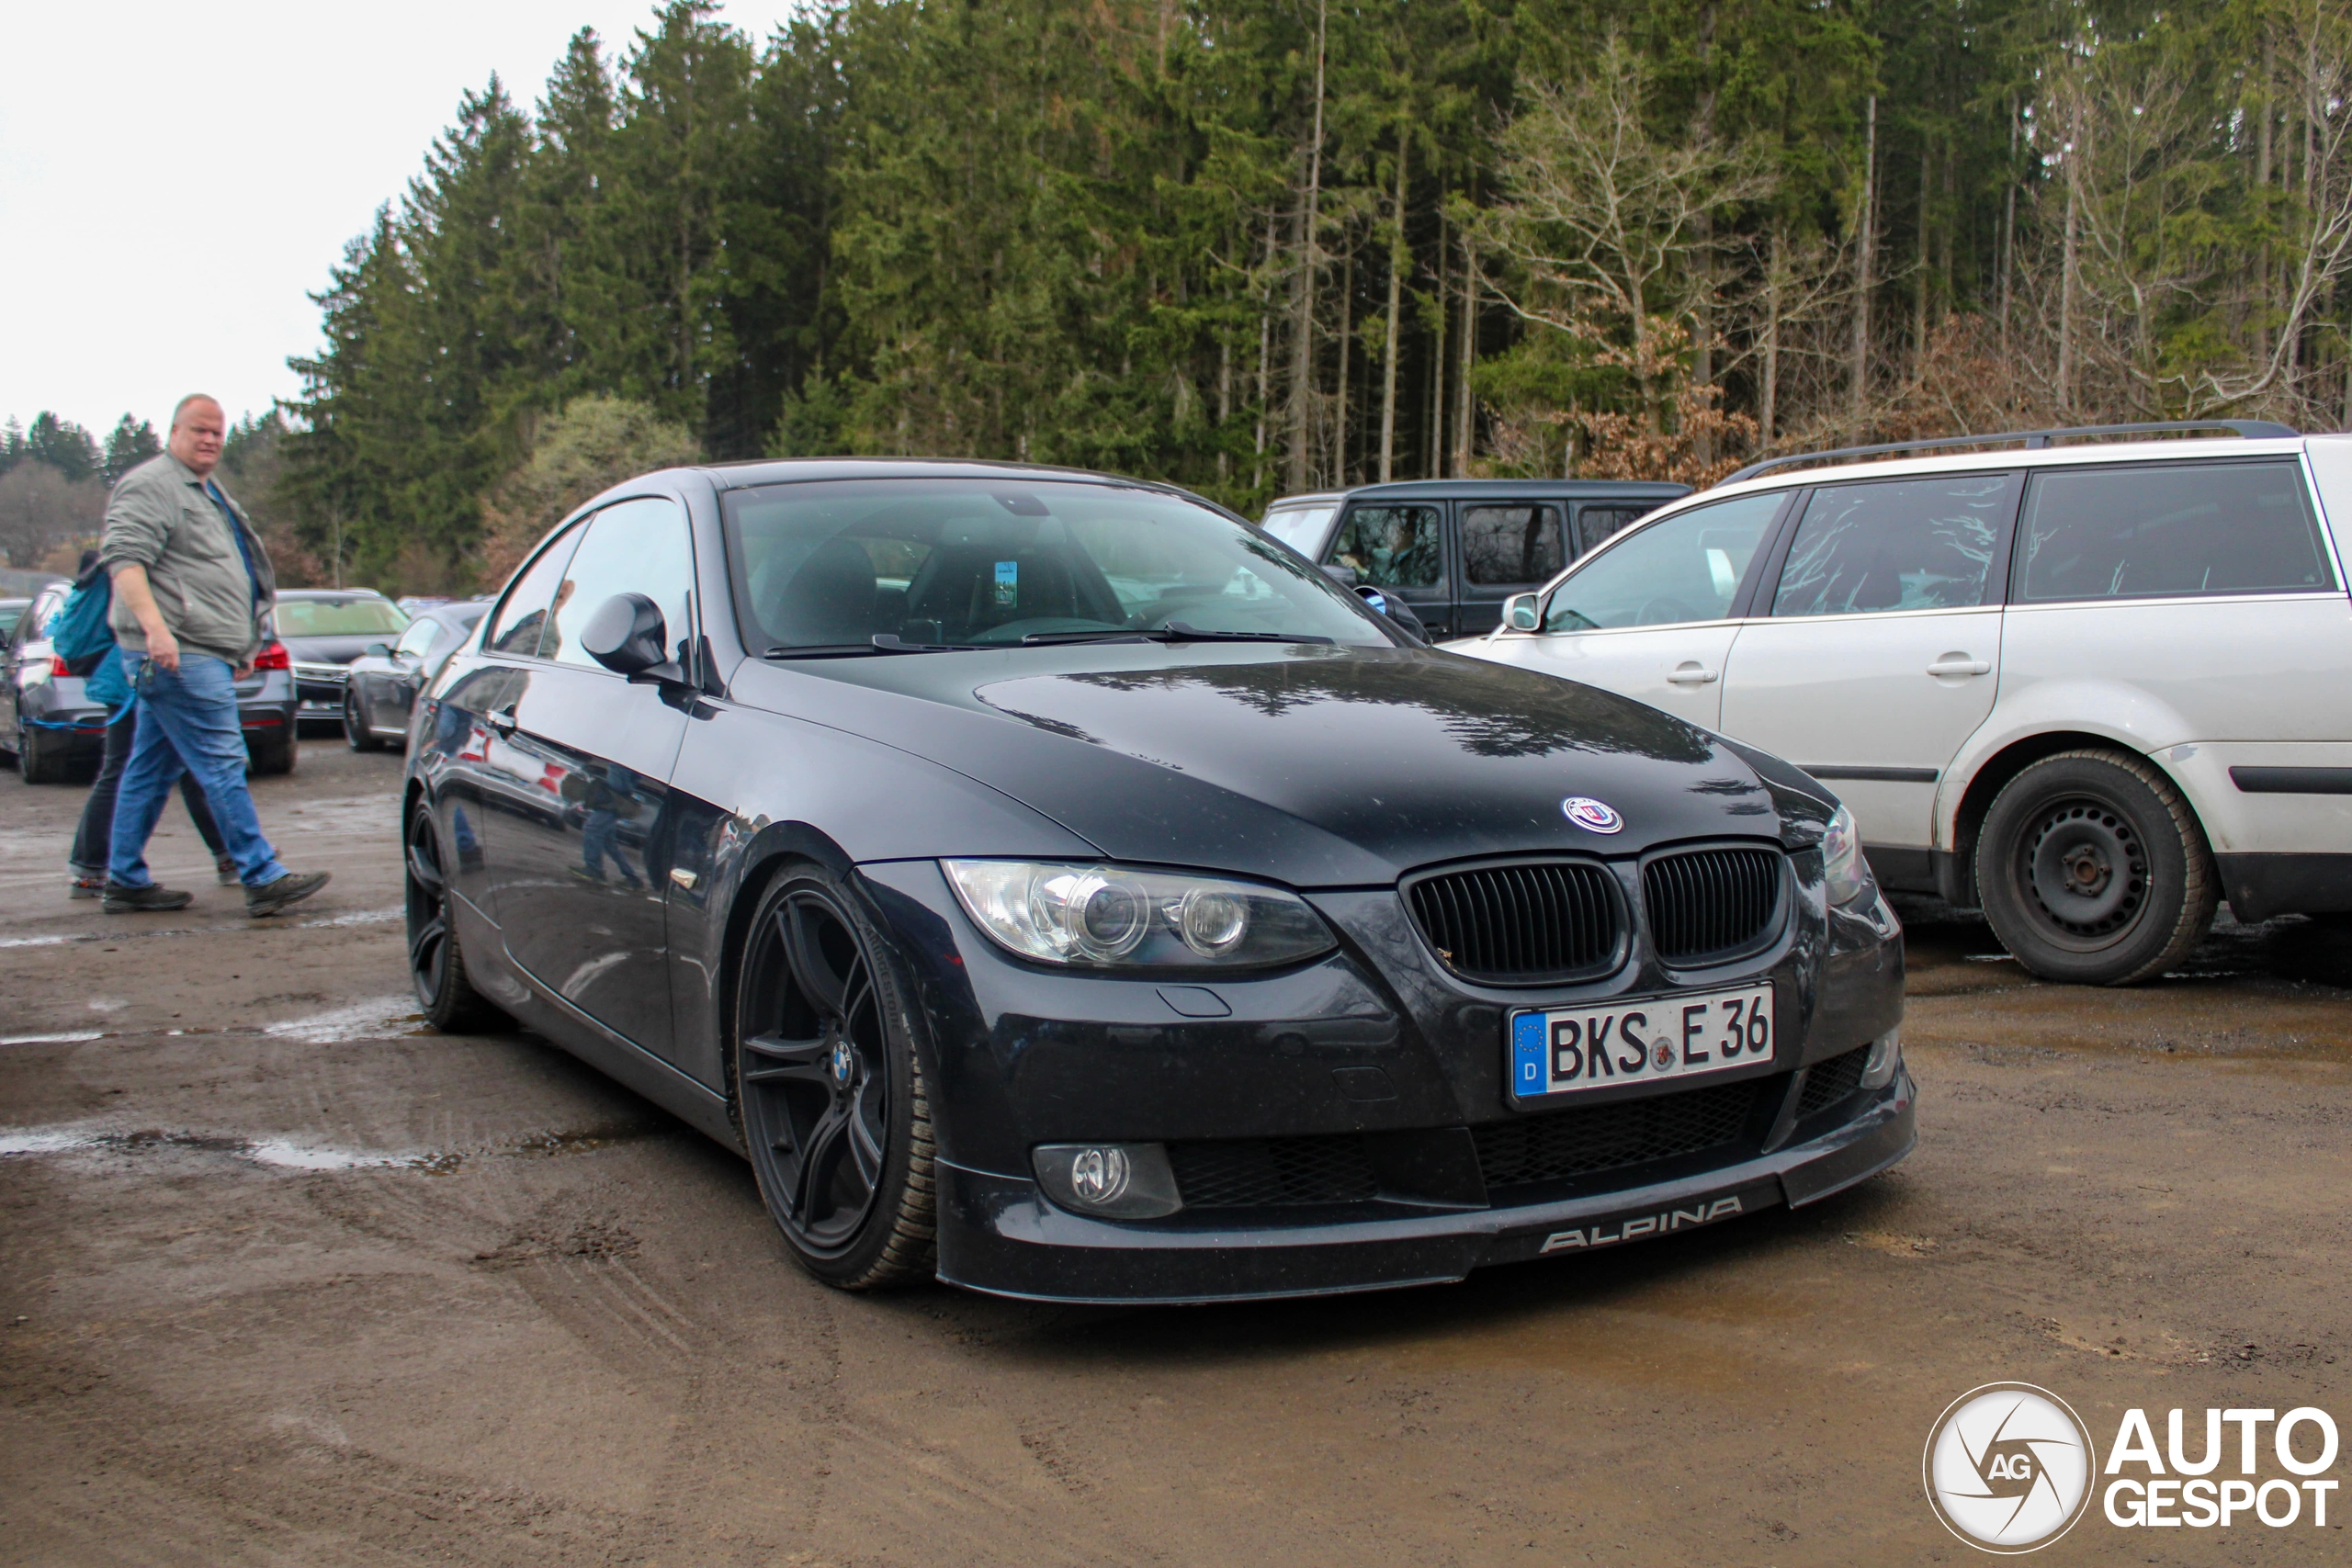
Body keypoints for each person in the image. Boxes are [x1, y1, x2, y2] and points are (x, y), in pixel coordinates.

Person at [96, 394, 329, 917]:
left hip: (202, 649)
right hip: (178, 651)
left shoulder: (204, 490)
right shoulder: (150, 485)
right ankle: (261, 873)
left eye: (217, 434)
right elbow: (126, 562)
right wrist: (157, 631)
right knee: (222, 758)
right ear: (174, 431)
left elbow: (220, 570)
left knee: (150, 768)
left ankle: (124, 878)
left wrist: (242, 642)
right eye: (199, 430)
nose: (209, 440)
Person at [58, 549, 238, 897]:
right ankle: (90, 867)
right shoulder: (133, 563)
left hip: (133, 674)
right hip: (137, 674)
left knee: (183, 764)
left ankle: (230, 855)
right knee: (132, 767)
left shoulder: (119, 561)